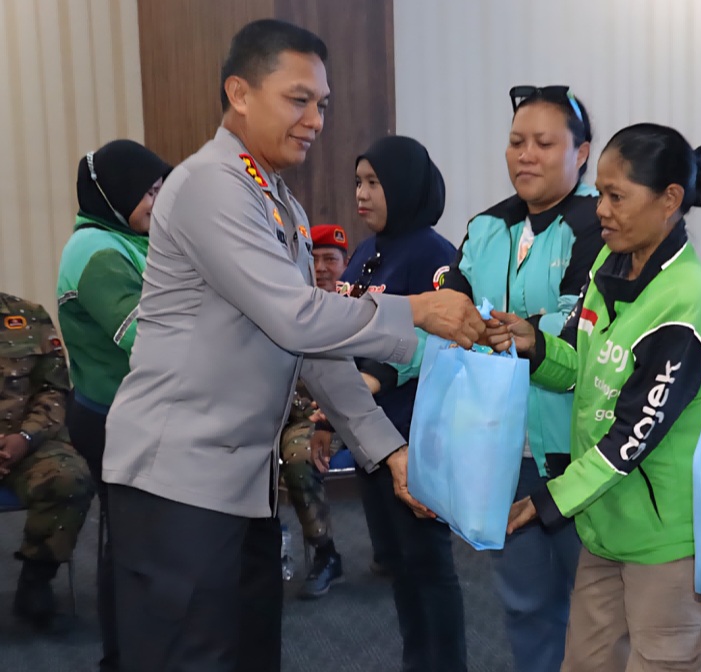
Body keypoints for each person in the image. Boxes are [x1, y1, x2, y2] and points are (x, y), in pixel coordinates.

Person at [100, 19, 483, 672]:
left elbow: (315, 348)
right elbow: (298, 318)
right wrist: (418, 309)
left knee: (246, 654)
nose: (315, 120)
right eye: (298, 99)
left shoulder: (278, 203)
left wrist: (388, 450)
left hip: (242, 485)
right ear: (240, 93)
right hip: (178, 486)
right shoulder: (211, 184)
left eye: (322, 104)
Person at [487, 123, 701, 672]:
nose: (600, 210)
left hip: (666, 541)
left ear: (669, 200)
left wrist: (546, 502)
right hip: (604, 523)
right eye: (600, 193)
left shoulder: (690, 298)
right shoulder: (610, 262)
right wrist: (536, 348)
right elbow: (586, 368)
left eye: (616, 196)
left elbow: (632, 436)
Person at [433, 84, 604, 672]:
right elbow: (445, 311)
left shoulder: (600, 224)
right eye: (515, 142)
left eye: (543, 143)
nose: (525, 155)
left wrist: (501, 330)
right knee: (524, 604)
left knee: (598, 612)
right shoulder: (487, 227)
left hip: (582, 453)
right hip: (502, 449)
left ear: (581, 153)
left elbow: (578, 326)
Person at [321, 134, 466, 671]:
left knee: (428, 565)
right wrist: (330, 418)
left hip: (416, 432)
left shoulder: (434, 254)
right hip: (369, 434)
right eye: (358, 182)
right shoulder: (366, 252)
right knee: (399, 567)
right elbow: (340, 332)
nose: (361, 194)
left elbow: (442, 335)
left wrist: (373, 380)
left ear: (403, 187)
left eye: (374, 183)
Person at [55, 138, 171, 671]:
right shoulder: (95, 251)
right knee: (131, 548)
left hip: (135, 412)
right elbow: (147, 336)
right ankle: (123, 658)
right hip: (113, 420)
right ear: (116, 193)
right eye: (149, 191)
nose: (158, 201)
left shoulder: (129, 239)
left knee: (144, 542)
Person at [279, 224, 393, 598]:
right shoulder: (287, 303)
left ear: (347, 265)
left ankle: (325, 554)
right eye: (313, 259)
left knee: (299, 456)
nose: (321, 268)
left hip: (335, 414)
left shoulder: (358, 310)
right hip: (281, 409)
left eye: (330, 259)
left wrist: (328, 417)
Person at [0, 292, 94, 630]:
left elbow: (53, 390)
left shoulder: (28, 316)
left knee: (69, 476)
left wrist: (26, 438)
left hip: (23, 443)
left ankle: (37, 577)